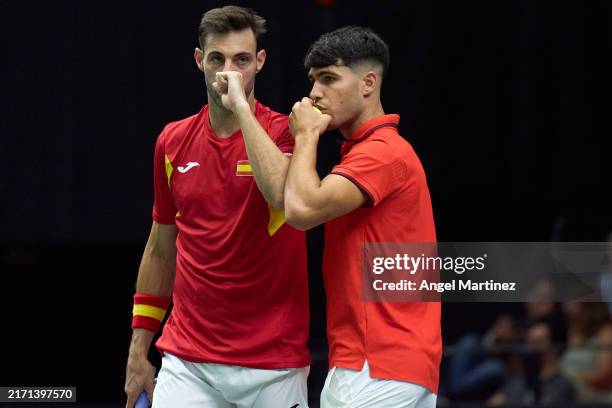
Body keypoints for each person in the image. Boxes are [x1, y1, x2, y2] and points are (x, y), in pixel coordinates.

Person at [124, 6, 310, 408]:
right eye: (217, 59)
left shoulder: (287, 132)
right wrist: (139, 351)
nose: (229, 71)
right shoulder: (172, 141)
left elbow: (284, 197)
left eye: (242, 59)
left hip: (273, 364)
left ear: (260, 62)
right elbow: (160, 249)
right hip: (189, 361)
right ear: (199, 61)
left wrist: (240, 108)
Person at [285, 26, 441, 407]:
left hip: (375, 364)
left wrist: (305, 137)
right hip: (395, 364)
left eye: (329, 79)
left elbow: (301, 211)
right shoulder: (373, 152)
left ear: (369, 83)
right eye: (313, 81)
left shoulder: (382, 152)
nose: (314, 94)